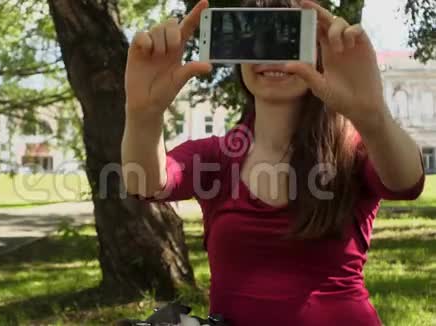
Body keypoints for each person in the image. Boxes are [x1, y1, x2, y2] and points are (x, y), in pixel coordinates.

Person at [121, 0, 425, 325]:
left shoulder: (355, 149)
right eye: (256, 39)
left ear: (319, 53)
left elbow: (407, 182)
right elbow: (144, 183)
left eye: (289, 39)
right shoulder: (217, 158)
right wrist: (143, 114)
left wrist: (373, 115)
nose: (272, 54)